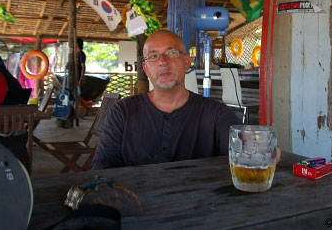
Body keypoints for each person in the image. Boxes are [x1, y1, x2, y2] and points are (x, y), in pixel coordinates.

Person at [91, 30, 242, 169]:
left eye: (172, 52)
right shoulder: (123, 111)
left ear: (186, 62)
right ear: (145, 68)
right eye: (153, 56)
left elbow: (244, 156)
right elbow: (102, 166)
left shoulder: (216, 114)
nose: (162, 61)